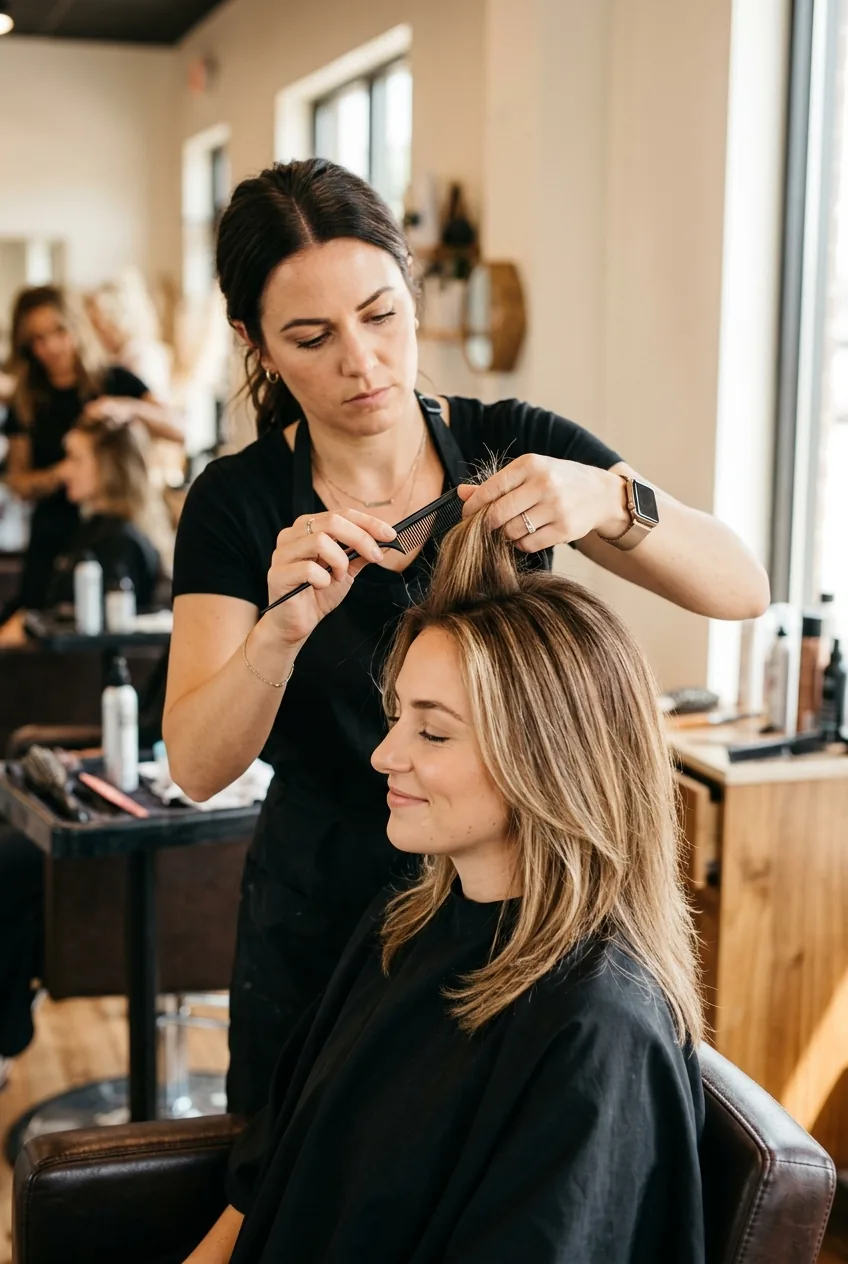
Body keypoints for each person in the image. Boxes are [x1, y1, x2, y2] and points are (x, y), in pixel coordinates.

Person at [163, 157, 769, 1117]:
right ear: (254, 343)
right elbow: (197, 765)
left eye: (381, 314)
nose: (361, 363)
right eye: (311, 337)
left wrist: (612, 499)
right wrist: (278, 633)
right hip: (322, 908)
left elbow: (742, 586)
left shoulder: (507, 441)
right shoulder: (236, 506)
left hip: (510, 903)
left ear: (411, 289)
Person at [184, 508, 706, 1264]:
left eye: (432, 731)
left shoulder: (594, 1034)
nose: (384, 755)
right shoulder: (405, 928)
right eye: (396, 716)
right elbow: (267, 1175)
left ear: (548, 760)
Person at [0, 416, 171, 1080]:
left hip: (145, 784)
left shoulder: (120, 546)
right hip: (120, 754)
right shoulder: (92, 537)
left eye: (74, 459)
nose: (62, 472)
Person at [1, 285, 181, 623]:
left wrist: (127, 408)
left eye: (58, 331)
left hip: (109, 524)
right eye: (37, 339)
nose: (51, 347)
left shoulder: (114, 381)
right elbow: (18, 480)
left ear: (76, 325)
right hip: (53, 537)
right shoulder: (28, 399)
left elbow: (178, 429)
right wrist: (65, 471)